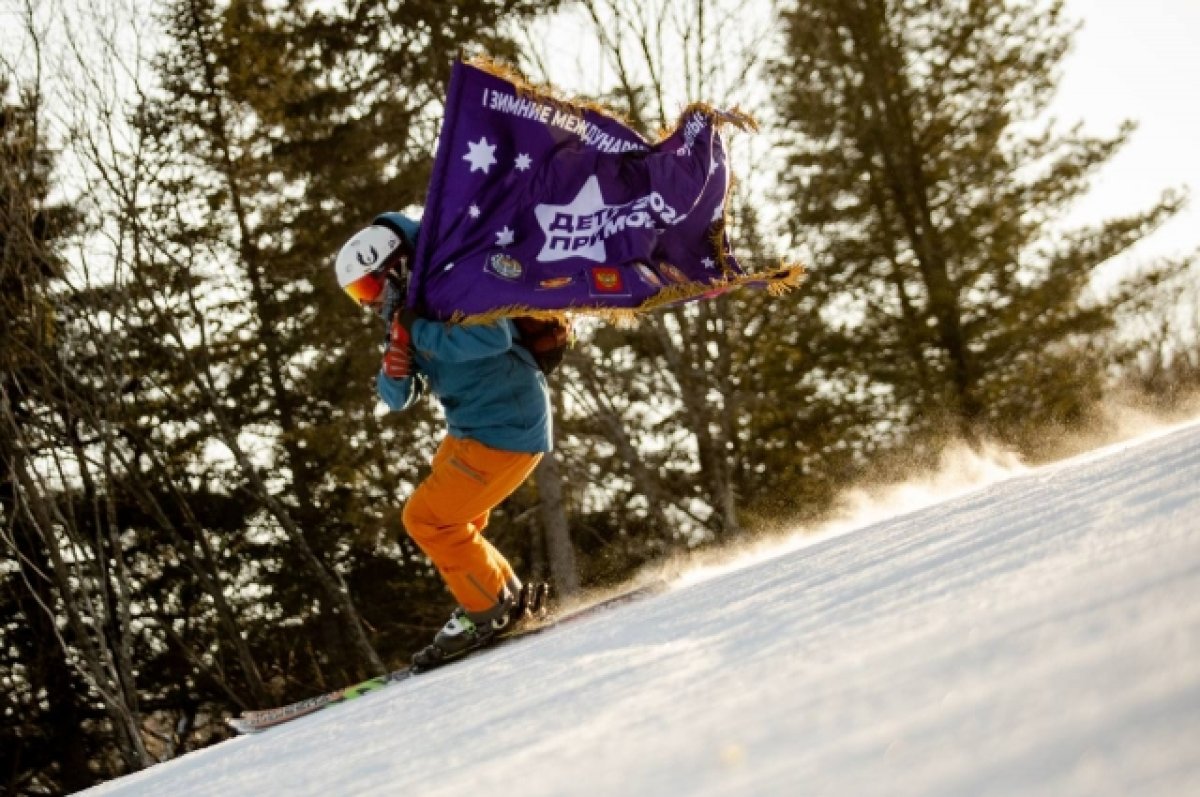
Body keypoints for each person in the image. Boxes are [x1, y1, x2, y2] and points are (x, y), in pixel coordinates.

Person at [334, 212, 569, 669]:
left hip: (506, 428)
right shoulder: (411, 309)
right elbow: (398, 396)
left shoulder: (454, 281)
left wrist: (415, 333)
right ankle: (505, 597)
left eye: (367, 287)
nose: (367, 303)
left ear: (395, 266)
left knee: (426, 519)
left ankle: (488, 610)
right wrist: (396, 366)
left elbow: (493, 337)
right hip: (477, 431)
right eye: (356, 295)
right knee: (452, 522)